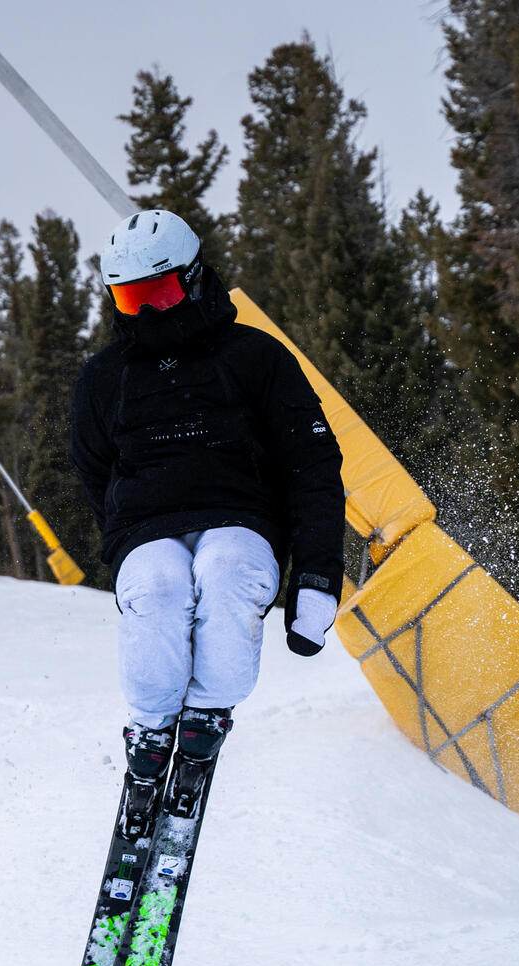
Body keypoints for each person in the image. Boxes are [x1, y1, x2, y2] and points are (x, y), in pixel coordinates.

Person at [70, 210, 345, 834]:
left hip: (241, 517)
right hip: (148, 525)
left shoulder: (255, 357)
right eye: (130, 299)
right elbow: (93, 469)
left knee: (224, 571)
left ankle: (205, 719)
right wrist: (120, 533)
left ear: (193, 281)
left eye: (158, 295)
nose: (148, 317)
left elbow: (312, 466)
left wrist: (318, 574)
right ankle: (149, 734)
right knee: (161, 584)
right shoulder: (105, 377)